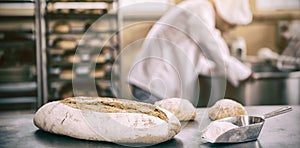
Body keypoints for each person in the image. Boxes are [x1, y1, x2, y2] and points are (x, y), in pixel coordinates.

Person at [128, 0, 253, 104]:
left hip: (156, 85)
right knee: (152, 130)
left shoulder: (200, 10)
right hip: (153, 84)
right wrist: (242, 73)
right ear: (226, 16)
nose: (229, 30)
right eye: (231, 26)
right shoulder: (200, 9)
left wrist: (214, 68)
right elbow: (212, 46)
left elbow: (192, 53)